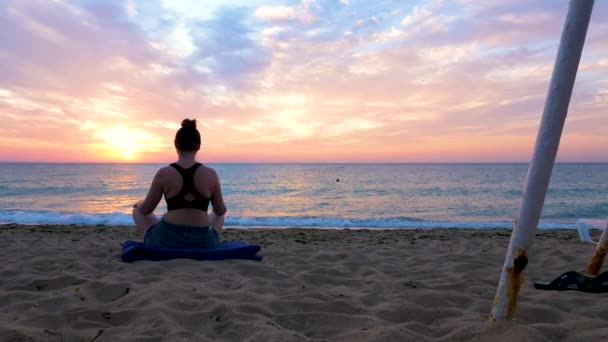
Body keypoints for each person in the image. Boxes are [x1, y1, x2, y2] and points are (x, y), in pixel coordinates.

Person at [132, 119, 227, 249]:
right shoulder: (211, 174)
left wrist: (138, 204)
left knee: (137, 211)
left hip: (168, 241)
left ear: (175, 144)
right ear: (198, 145)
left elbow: (145, 211)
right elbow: (220, 211)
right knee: (217, 214)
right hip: (203, 242)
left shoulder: (164, 173)